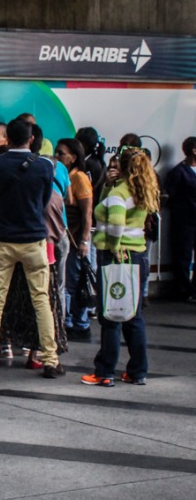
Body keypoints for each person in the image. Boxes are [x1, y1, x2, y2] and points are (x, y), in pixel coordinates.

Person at [0, 118, 65, 378]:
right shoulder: (44, 165)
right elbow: (44, 200)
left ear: (8, 138)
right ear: (31, 139)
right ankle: (50, 360)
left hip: (3, 239)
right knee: (41, 300)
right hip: (34, 240)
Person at [82, 149, 160, 387]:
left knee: (111, 314)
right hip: (137, 255)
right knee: (133, 315)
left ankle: (104, 371)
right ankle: (138, 371)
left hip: (115, 256)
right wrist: (108, 185)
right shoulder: (141, 190)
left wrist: (114, 245)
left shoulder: (120, 192)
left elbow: (114, 221)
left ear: (122, 167)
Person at [56, 138, 95, 339]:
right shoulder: (64, 175)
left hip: (75, 238)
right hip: (66, 236)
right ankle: (70, 320)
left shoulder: (79, 178)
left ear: (73, 156)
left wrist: (84, 240)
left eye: (61, 153)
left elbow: (87, 212)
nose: (57, 156)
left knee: (76, 283)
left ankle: (79, 322)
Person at [164, 136, 196, 302]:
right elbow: (170, 197)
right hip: (185, 221)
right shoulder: (178, 172)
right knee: (183, 255)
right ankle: (184, 290)